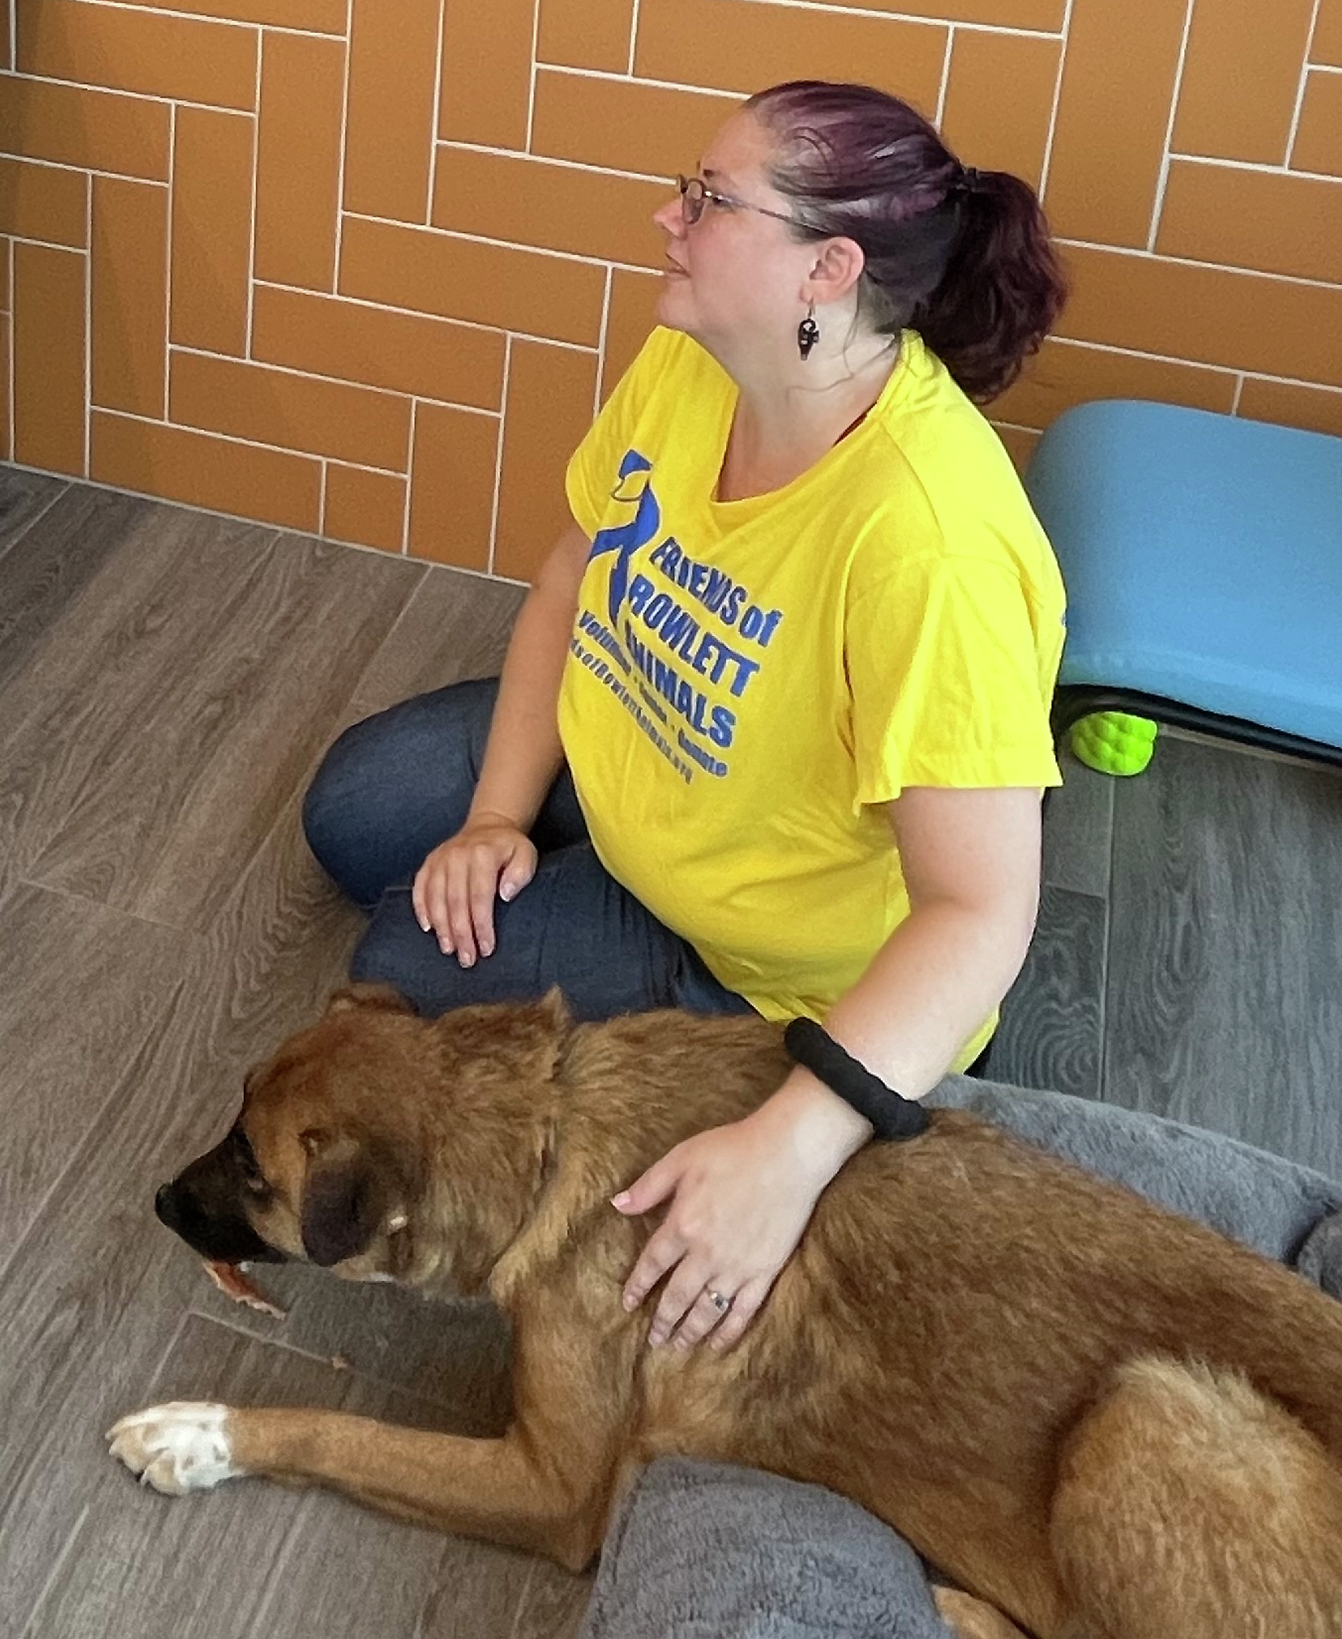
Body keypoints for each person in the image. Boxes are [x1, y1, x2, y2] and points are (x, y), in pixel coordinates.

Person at [296, 79, 1069, 1362]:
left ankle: (654, 963)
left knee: (400, 975)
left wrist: (791, 1143)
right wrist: (495, 817)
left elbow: (980, 912)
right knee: (352, 813)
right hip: (642, 758)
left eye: (709, 201)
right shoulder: (698, 354)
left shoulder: (933, 549)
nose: (668, 217)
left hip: (766, 963)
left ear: (827, 269)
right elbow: (569, 574)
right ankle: (569, 861)